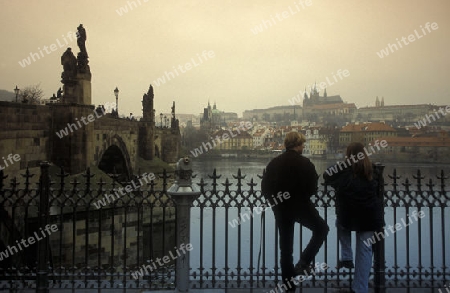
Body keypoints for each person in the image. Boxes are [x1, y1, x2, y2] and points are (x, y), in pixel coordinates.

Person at [262, 131, 329, 292]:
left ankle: (288, 285)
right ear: (298, 145)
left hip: (281, 209)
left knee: (285, 249)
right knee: (321, 229)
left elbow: (265, 188)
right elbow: (312, 188)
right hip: (301, 207)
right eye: (302, 144)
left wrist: (275, 202)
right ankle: (304, 262)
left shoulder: (274, 163)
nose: (304, 146)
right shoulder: (305, 163)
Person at [323, 142, 384, 293]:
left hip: (348, 216)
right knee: (364, 251)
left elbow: (327, 174)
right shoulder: (373, 170)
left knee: (340, 224)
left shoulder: (344, 170)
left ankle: (346, 255)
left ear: (348, 155)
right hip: (369, 217)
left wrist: (344, 163)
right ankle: (360, 288)